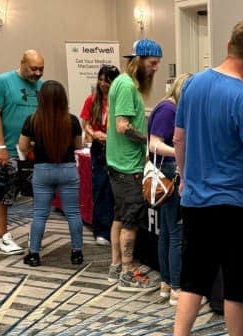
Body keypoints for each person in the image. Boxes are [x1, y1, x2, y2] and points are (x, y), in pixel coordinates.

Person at [171, 20, 243, 336]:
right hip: (237, 206)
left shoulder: (192, 85)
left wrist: (186, 178)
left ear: (228, 45)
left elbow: (178, 139)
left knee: (193, 279)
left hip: (197, 201)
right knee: (237, 285)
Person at [106, 38, 163, 291]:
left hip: (119, 165)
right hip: (129, 167)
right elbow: (123, 126)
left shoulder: (120, 82)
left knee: (119, 217)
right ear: (138, 60)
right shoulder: (128, 86)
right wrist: (148, 139)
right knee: (130, 221)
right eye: (152, 63)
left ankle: (116, 266)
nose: (155, 68)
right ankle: (128, 272)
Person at [18, 80, 85, 267]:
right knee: (73, 213)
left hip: (42, 170)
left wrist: (37, 145)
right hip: (68, 170)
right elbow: (78, 146)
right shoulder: (72, 120)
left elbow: (23, 146)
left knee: (40, 214)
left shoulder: (32, 120)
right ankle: (77, 253)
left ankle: (34, 254)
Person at [0, 50, 44, 255]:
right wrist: (0, 146)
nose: (38, 73)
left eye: (41, 69)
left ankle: (35, 233)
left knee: (38, 194)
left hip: (34, 153)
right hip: (9, 151)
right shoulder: (3, 81)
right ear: (22, 64)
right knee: (3, 195)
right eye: (33, 68)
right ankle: (3, 237)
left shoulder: (42, 86)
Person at [147, 72, 191, 305]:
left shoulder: (165, 107)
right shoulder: (169, 110)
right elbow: (154, 143)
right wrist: (180, 152)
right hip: (170, 174)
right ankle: (176, 288)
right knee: (175, 233)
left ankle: (166, 284)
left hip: (164, 174)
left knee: (166, 231)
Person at [80, 64, 120, 246]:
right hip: (99, 148)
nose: (103, 83)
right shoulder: (93, 99)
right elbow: (85, 122)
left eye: (107, 80)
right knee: (101, 188)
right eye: (101, 80)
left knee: (116, 191)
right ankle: (102, 230)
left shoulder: (119, 99)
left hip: (117, 148)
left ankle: (116, 228)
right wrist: (93, 133)